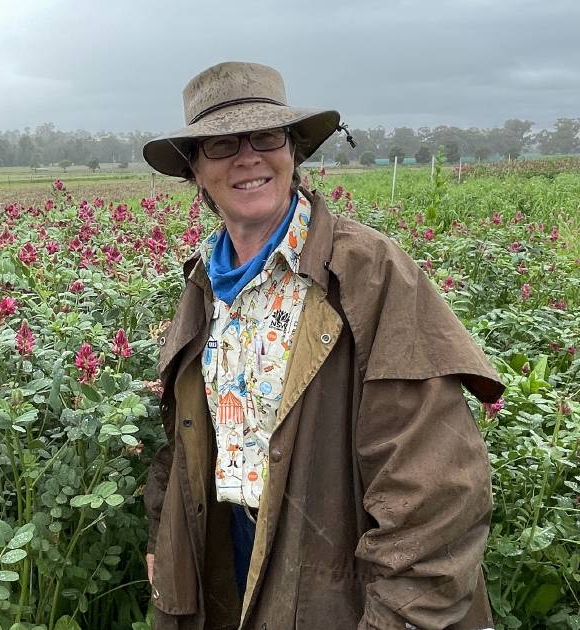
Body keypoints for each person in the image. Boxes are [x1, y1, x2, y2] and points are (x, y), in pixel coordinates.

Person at [140, 61, 504, 630]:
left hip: (337, 568)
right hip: (226, 548)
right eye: (220, 143)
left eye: (266, 136)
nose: (248, 156)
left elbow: (434, 496)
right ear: (196, 171)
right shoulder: (204, 284)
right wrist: (166, 536)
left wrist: (396, 619)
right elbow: (185, 434)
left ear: (293, 152)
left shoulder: (371, 275)